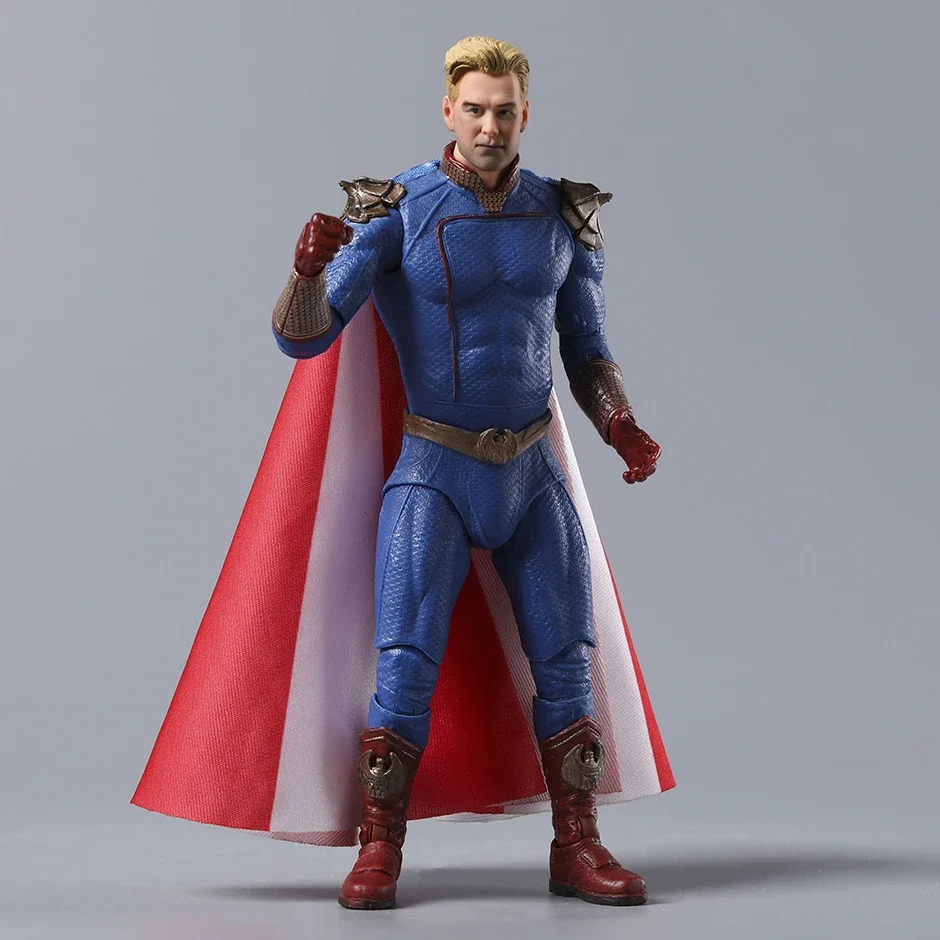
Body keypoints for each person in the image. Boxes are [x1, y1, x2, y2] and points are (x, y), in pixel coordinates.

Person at [133, 35, 673, 912]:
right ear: (448, 110)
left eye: (505, 111)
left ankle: (577, 844)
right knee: (404, 665)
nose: (490, 126)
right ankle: (380, 848)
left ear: (526, 115)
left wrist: (619, 422)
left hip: (531, 472)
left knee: (567, 663)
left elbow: (586, 345)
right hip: (435, 470)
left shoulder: (564, 215)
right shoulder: (396, 210)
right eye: (475, 110)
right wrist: (305, 271)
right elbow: (305, 335)